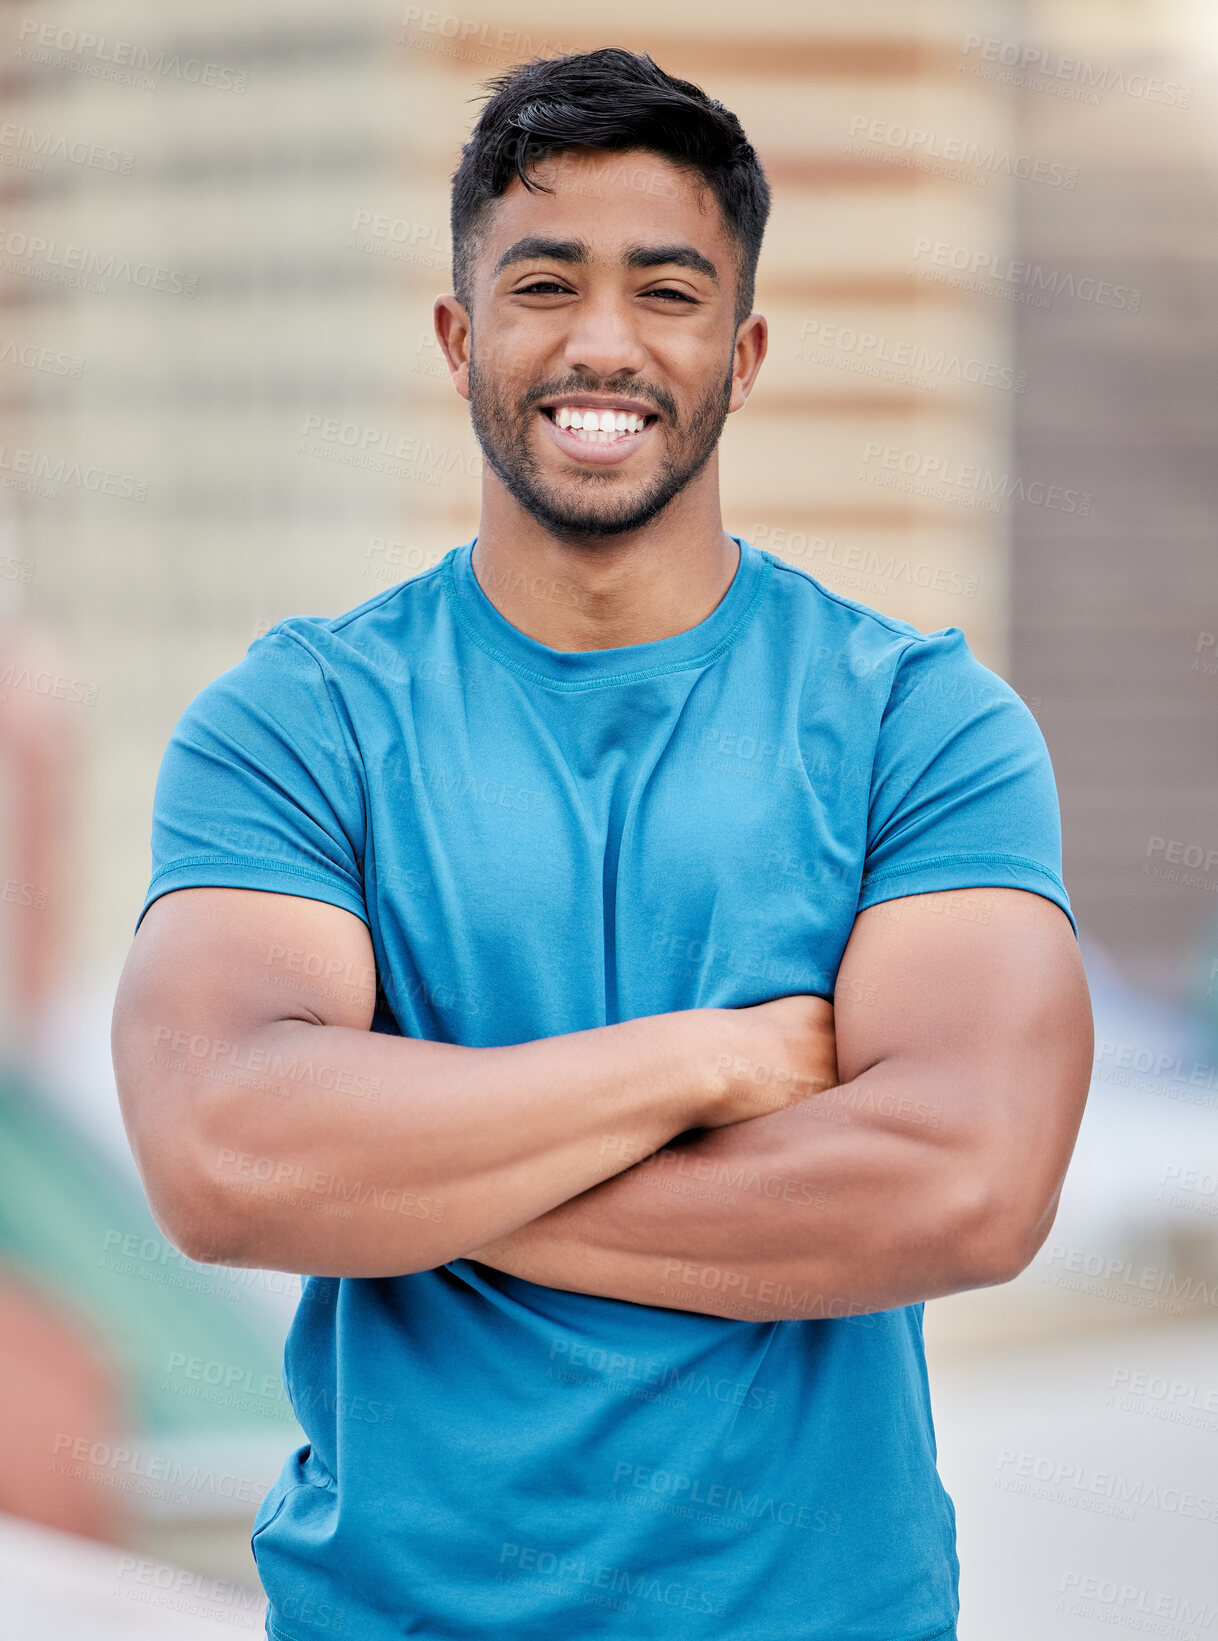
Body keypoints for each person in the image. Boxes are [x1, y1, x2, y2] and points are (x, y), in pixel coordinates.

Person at [112, 47, 1093, 1641]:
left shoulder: (918, 721)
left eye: (668, 290)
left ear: (743, 347)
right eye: (544, 282)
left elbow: (965, 1185)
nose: (602, 344)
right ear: (460, 334)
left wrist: (405, 1186)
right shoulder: (300, 718)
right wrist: (704, 1065)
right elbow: (228, 1154)